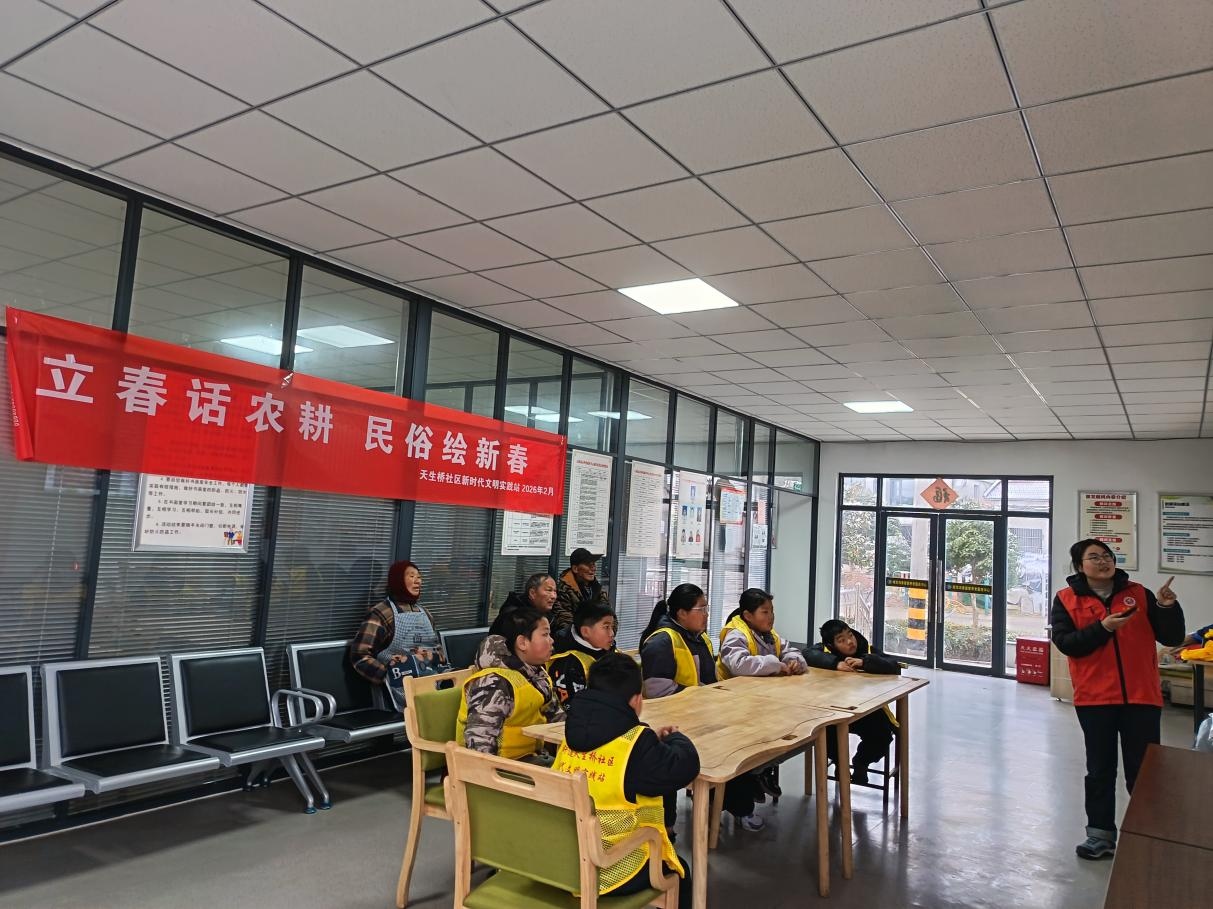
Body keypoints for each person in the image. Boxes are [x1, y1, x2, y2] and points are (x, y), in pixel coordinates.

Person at [1051, 539, 1185, 860]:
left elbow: (1171, 637)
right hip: (1095, 698)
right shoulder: (1066, 599)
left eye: (1107, 556)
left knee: (1144, 770)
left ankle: (1147, 833)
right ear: (1080, 566)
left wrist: (1166, 607)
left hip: (1142, 696)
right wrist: (1104, 628)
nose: (1103, 561)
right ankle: (1099, 836)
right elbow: (1067, 643)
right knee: (1100, 768)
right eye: (1094, 557)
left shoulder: (1139, 594)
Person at [555, 651, 697, 909]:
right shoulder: (637, 746)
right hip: (610, 868)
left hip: (563, 858)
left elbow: (616, 747)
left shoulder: (570, 735)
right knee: (682, 872)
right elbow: (684, 767)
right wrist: (676, 738)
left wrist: (648, 739)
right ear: (637, 700)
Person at [640, 583, 764, 831]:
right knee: (727, 748)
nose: (707, 614)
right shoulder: (662, 641)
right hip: (673, 723)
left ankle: (735, 799)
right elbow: (656, 691)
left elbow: (710, 680)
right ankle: (737, 806)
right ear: (681, 613)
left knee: (744, 738)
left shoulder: (701, 638)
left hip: (703, 715)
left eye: (707, 608)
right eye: (701, 609)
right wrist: (702, 696)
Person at [457, 607, 564, 762]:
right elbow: (479, 745)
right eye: (545, 634)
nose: (552, 640)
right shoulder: (494, 682)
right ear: (522, 643)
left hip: (532, 757)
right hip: (500, 767)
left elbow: (558, 720)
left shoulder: (537, 674)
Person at [806, 618, 900, 785]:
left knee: (883, 735)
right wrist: (835, 663)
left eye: (850, 635)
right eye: (841, 640)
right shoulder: (824, 651)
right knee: (825, 731)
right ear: (831, 645)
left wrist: (866, 662)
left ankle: (861, 762)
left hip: (866, 711)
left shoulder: (865, 649)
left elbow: (894, 665)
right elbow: (806, 654)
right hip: (834, 710)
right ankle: (840, 764)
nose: (850, 642)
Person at [351, 560, 449, 710]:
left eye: (419, 577)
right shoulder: (381, 613)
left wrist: (435, 659)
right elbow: (359, 655)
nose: (418, 581)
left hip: (432, 688)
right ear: (397, 581)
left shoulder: (426, 613)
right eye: (412, 576)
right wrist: (387, 675)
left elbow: (438, 652)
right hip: (396, 695)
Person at [716, 588, 808, 680]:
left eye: (772, 611)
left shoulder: (770, 634)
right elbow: (738, 665)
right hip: (732, 687)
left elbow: (788, 650)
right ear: (748, 616)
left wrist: (794, 661)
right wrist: (775, 665)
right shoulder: (735, 635)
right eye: (765, 612)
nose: (771, 616)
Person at [548, 600, 617, 704]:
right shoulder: (567, 663)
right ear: (585, 631)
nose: (612, 633)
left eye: (612, 626)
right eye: (606, 627)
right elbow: (574, 707)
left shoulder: (610, 650)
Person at [553, 548, 609, 634]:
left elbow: (610, 616)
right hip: (574, 638)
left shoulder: (598, 589)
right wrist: (591, 635)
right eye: (588, 564)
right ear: (575, 569)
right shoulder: (563, 590)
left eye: (594, 564)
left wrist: (607, 632)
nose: (593, 568)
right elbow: (564, 622)